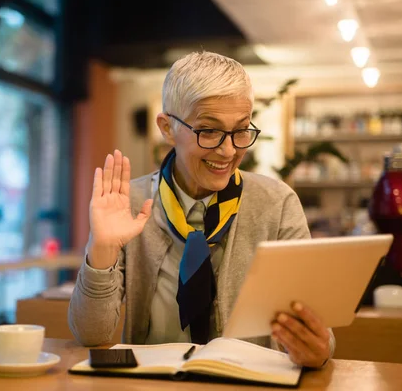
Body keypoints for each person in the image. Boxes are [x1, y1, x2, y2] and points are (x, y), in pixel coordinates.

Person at [68, 51, 334, 368]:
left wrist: (319, 348)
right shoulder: (130, 202)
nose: (228, 150)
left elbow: (318, 327)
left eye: (240, 130)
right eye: (208, 131)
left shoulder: (276, 203)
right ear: (167, 128)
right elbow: (90, 334)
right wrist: (102, 250)